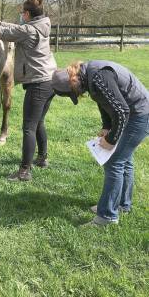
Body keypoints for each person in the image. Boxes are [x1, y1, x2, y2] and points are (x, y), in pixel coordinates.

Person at [52, 60, 149, 226]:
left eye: (73, 93)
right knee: (124, 161)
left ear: (73, 82)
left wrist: (111, 140)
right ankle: (122, 205)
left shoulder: (98, 77)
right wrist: (107, 126)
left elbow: (121, 111)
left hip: (138, 115)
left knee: (114, 162)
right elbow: (104, 101)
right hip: (134, 113)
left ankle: (107, 217)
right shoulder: (88, 74)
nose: (77, 95)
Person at [0, 0, 57, 181]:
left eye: (22, 13)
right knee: (39, 122)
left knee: (29, 127)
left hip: (38, 84)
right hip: (50, 81)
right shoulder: (43, 25)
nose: (21, 16)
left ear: (28, 14)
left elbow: (5, 33)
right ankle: (42, 158)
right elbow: (9, 26)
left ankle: (24, 171)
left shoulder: (28, 30)